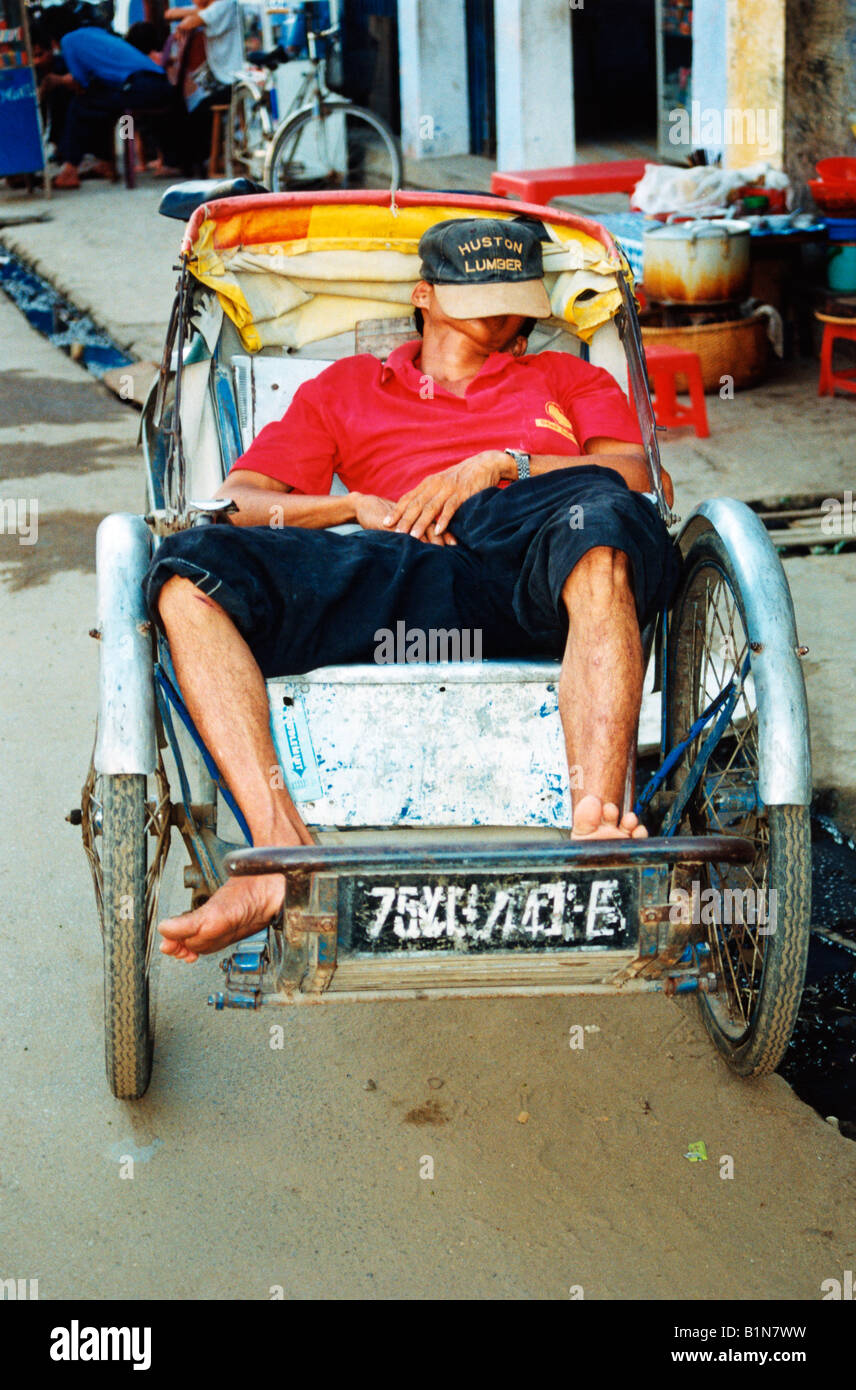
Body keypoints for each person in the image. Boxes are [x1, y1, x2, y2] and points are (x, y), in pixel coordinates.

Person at [144, 216, 678, 963]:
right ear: (424, 295)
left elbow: (644, 479)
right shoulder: (348, 388)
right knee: (188, 570)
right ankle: (277, 857)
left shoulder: (565, 378)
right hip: (408, 572)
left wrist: (500, 465)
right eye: (483, 294)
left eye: (515, 296)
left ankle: (595, 817)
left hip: (543, 571)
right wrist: (350, 507)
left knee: (604, 516)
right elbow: (242, 501)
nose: (505, 312)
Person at [46, 10, 174, 188]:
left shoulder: (68, 41)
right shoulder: (96, 33)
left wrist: (56, 81)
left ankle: (70, 170)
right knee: (98, 104)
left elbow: (80, 84)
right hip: (156, 84)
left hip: (140, 87)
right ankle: (105, 162)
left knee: (81, 105)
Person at [163, 0, 242, 168]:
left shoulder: (225, 3)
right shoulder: (207, 8)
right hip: (221, 78)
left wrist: (191, 16)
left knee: (197, 112)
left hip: (233, 79)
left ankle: (205, 161)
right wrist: (196, 11)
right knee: (183, 106)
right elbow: (170, 14)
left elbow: (190, 22)